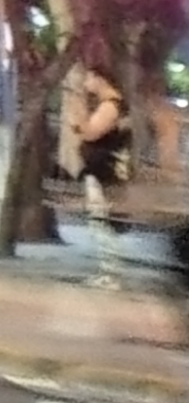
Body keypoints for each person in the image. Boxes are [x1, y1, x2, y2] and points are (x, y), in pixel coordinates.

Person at [72, 63, 133, 287]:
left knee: (100, 220)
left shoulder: (110, 106)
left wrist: (79, 120)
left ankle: (110, 273)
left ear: (100, 79)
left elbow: (91, 133)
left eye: (89, 78)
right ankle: (108, 271)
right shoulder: (117, 105)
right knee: (103, 220)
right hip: (108, 169)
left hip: (103, 171)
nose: (86, 84)